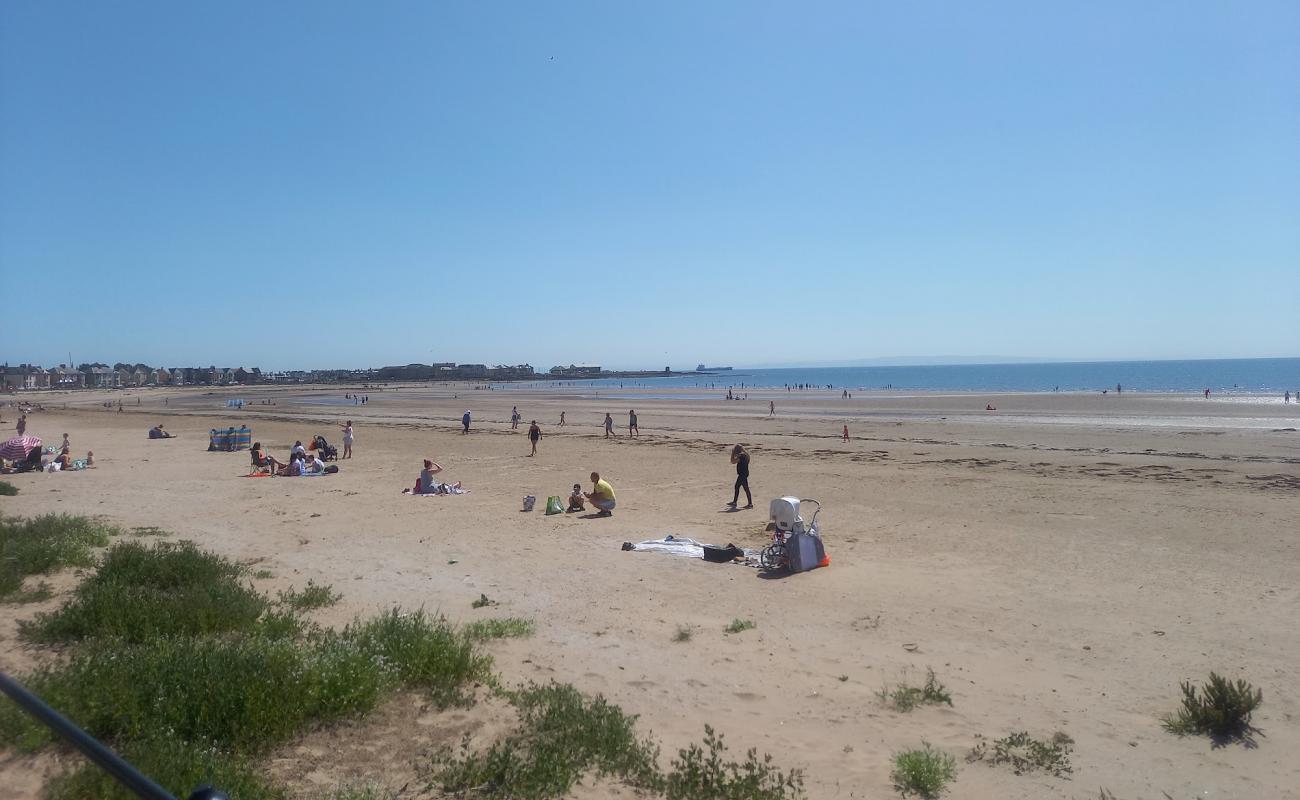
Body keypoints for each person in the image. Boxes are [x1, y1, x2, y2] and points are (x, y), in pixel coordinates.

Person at [727, 444, 752, 509]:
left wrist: (732, 453)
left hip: (742, 475)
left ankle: (749, 504)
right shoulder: (746, 455)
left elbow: (732, 461)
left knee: (742, 487)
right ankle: (736, 502)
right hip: (744, 474)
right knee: (740, 487)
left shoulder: (741, 456)